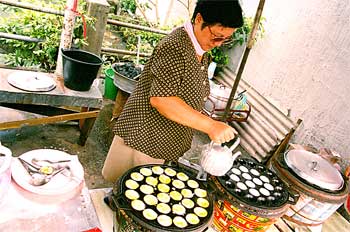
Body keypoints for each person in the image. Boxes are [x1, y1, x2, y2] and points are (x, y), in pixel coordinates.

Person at [102, 0, 244, 183]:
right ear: (199, 19)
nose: (218, 44)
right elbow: (162, 100)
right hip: (145, 139)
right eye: (217, 36)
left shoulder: (200, 49)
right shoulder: (175, 47)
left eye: (225, 39)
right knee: (128, 192)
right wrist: (210, 125)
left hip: (162, 141)